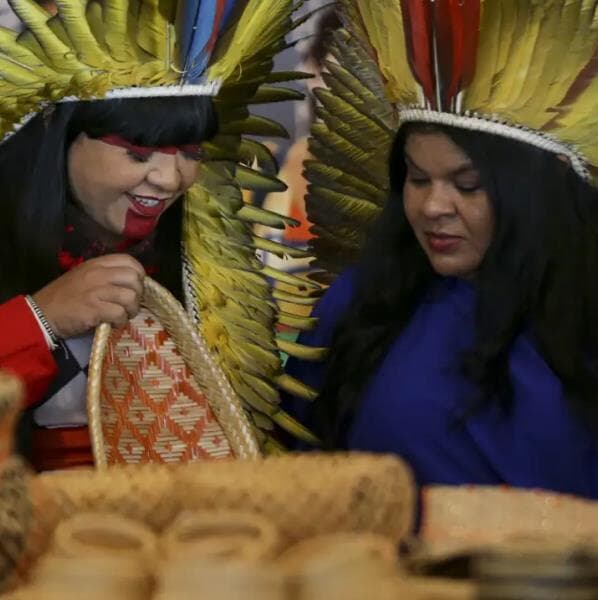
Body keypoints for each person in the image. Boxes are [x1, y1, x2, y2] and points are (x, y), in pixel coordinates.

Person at [284, 0, 598, 499]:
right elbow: (293, 471)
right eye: (417, 179)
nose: (433, 207)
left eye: (467, 185)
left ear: (541, 193)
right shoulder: (364, 304)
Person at [0, 0, 302, 470]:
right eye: (139, 153)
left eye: (191, 152)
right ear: (60, 137)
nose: (170, 178)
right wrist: (42, 320)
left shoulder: (202, 273)